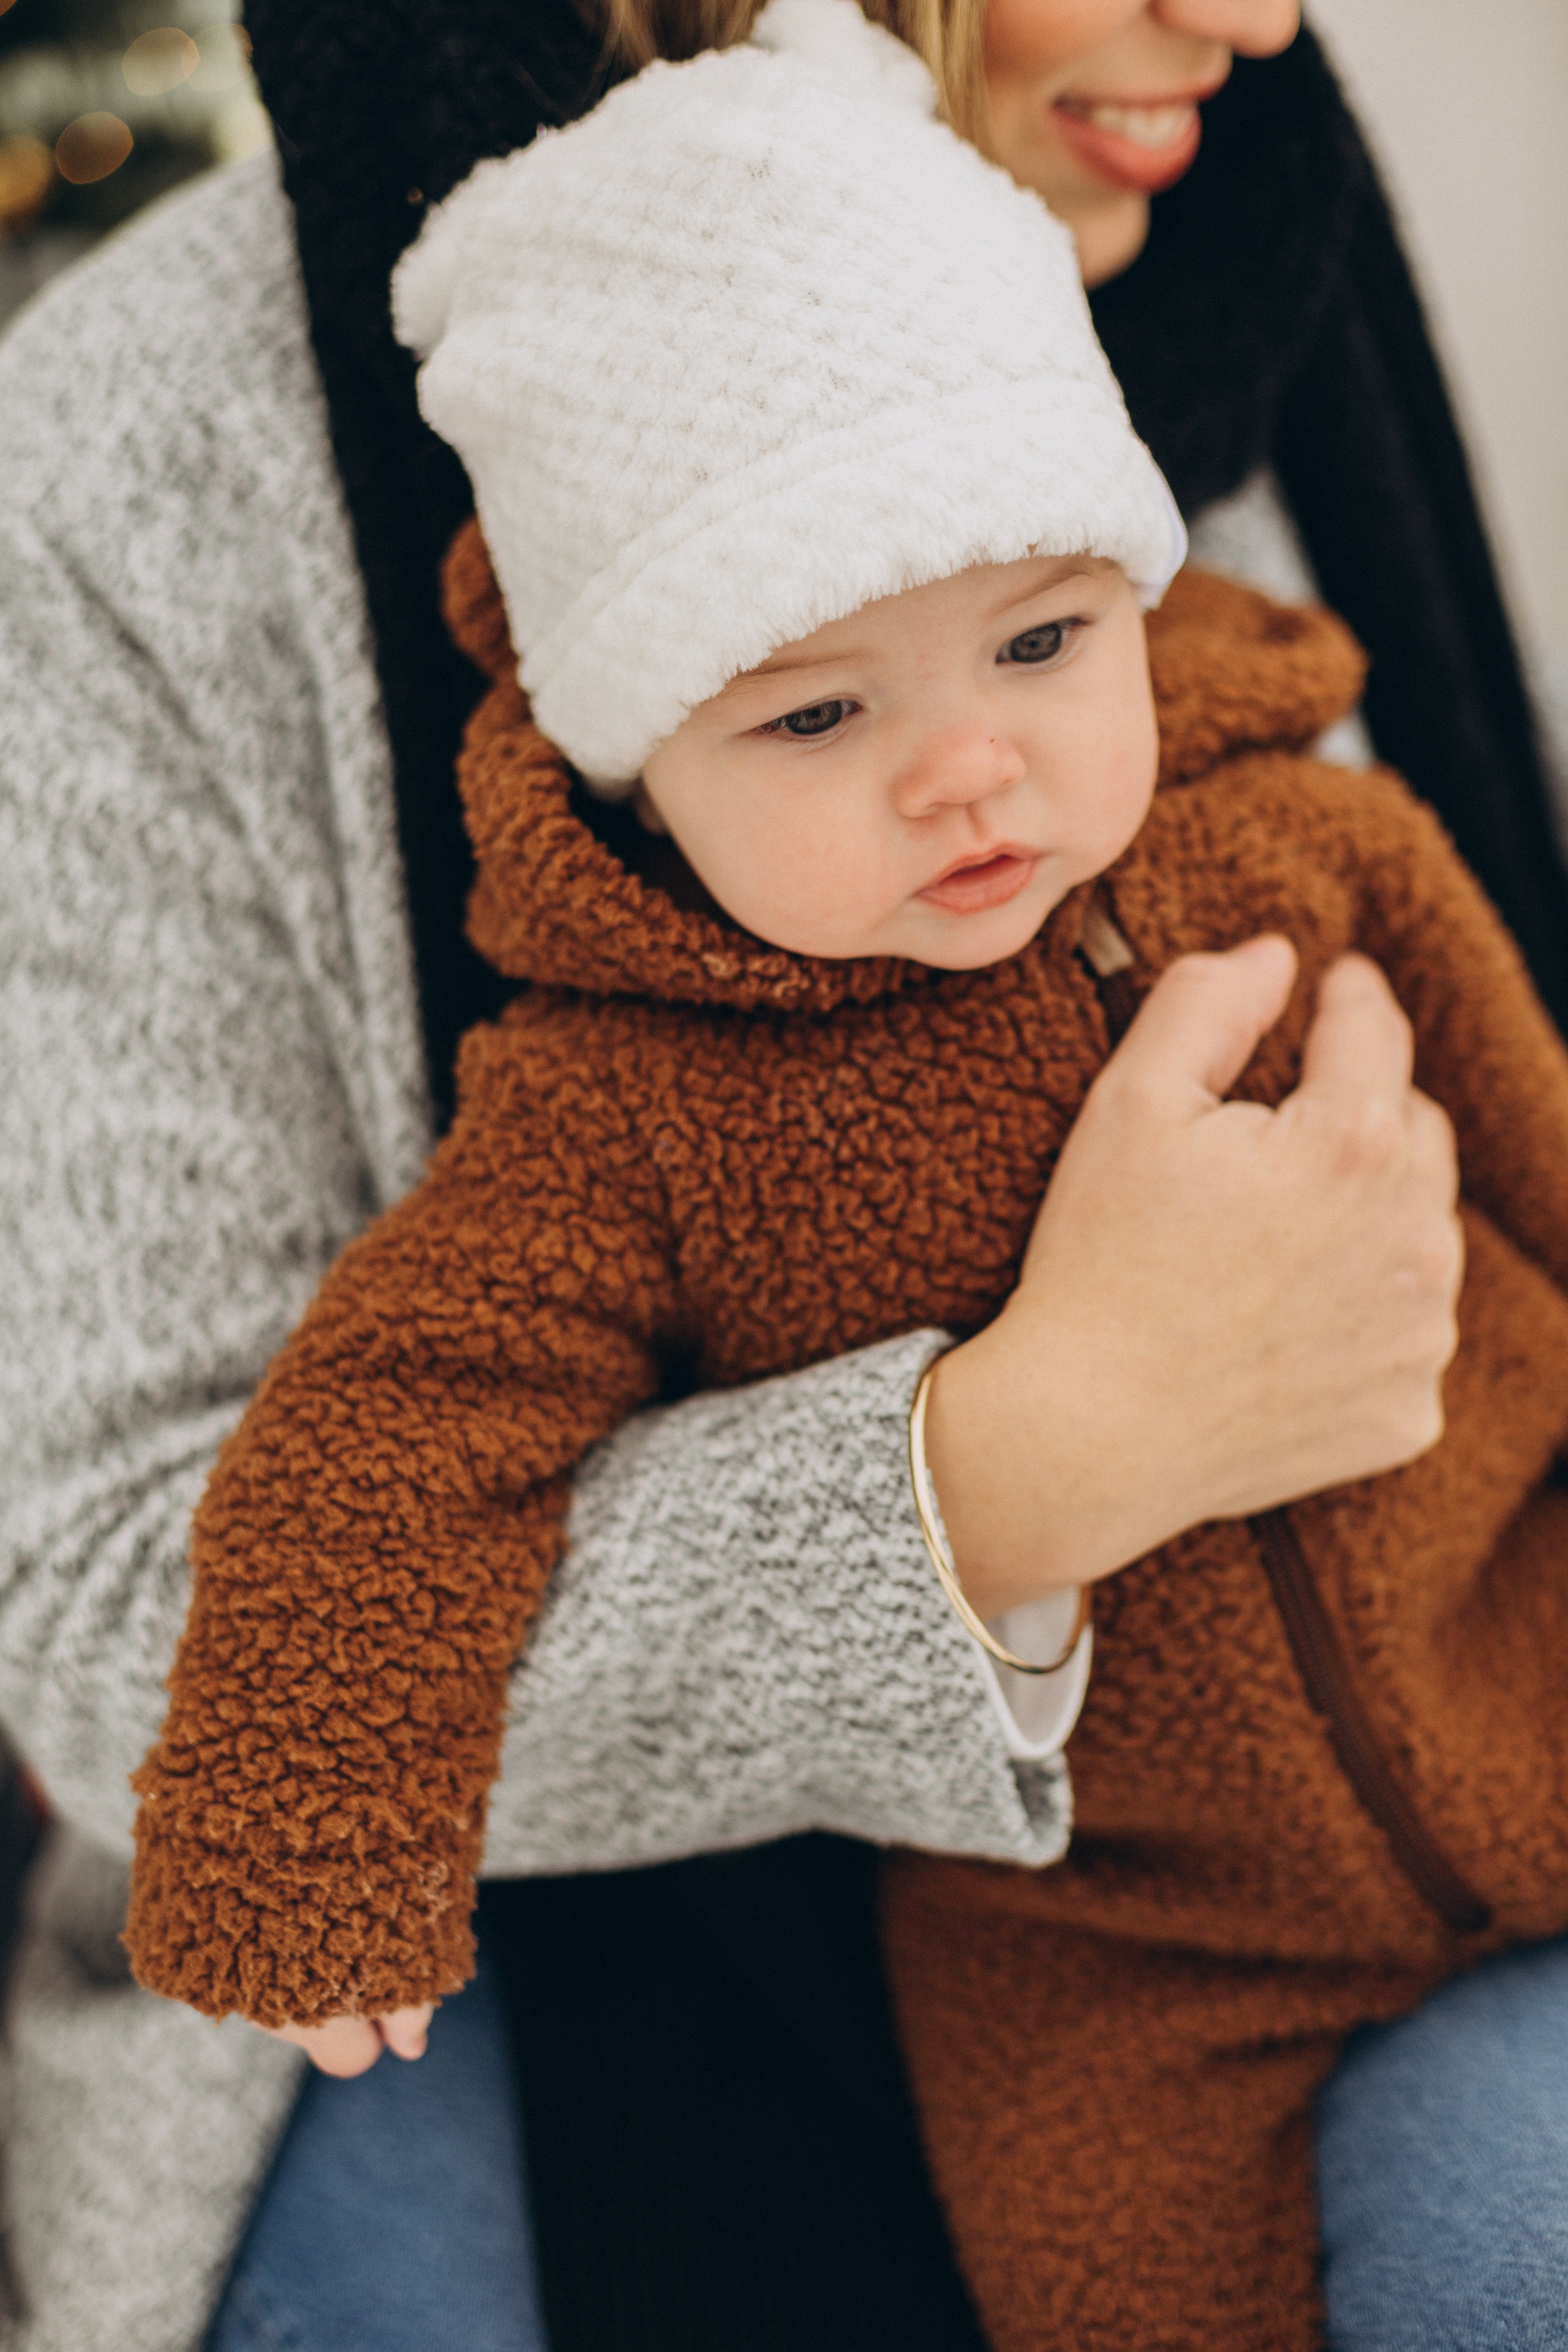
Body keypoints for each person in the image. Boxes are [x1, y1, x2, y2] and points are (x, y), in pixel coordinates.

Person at [0, 0, 1563, 2345]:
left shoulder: (1238, 272)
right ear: (619, 749)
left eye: (1050, 638)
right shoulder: (615, 1092)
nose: (1253, 11)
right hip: (1024, 1929)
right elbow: (255, 1541)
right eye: (817, 710)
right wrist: (1013, 1473)